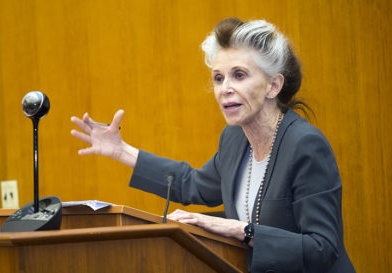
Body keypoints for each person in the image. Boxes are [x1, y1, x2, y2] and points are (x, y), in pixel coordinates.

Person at [71, 17, 355, 273]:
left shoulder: (305, 145)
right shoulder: (234, 139)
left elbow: (323, 249)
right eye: (218, 78)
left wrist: (241, 230)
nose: (224, 88)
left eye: (239, 75)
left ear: (273, 86)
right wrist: (121, 151)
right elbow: (192, 184)